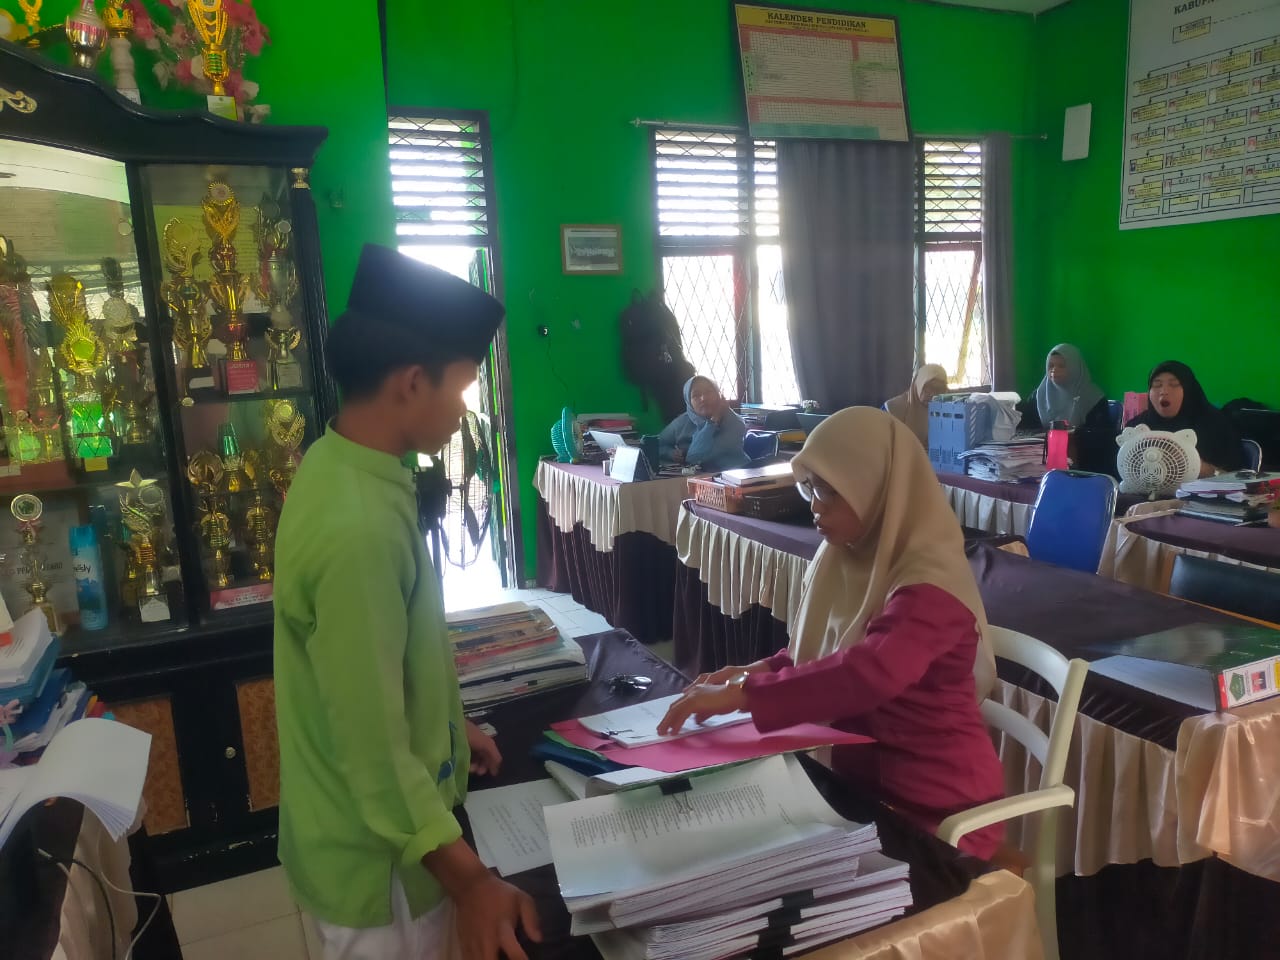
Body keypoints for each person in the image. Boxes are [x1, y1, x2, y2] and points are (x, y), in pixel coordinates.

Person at [274, 245, 541, 960]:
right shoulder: (359, 528)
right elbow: (370, 746)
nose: (464, 411)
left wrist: (449, 728)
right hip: (381, 864)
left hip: (360, 824)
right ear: (413, 382)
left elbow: (379, 664)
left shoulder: (341, 462)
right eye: (463, 388)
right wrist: (471, 881)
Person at [657, 407, 1004, 858]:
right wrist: (753, 671)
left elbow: (868, 672)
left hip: (936, 814)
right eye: (811, 488)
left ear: (878, 490)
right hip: (861, 788)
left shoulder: (930, 584)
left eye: (830, 492)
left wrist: (745, 695)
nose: (815, 506)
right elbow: (822, 653)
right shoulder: (851, 555)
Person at [1126, 360, 1244, 475]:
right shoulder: (1136, 427)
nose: (1164, 391)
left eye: (1174, 385)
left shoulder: (1215, 424)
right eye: (1157, 385)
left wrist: (1204, 469)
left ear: (1189, 389)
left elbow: (1236, 477)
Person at [1017, 343, 1117, 475]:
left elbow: (1102, 439)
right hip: (1041, 464)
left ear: (1075, 368)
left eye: (1061, 366)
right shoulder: (1039, 394)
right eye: (1051, 365)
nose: (1054, 370)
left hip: (1083, 467)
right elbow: (1026, 424)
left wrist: (1073, 436)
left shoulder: (1093, 397)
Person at [657, 375, 749, 470]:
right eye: (696, 395)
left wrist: (712, 422)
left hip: (735, 473)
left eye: (709, 392)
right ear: (688, 401)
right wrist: (671, 453)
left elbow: (695, 458)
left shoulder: (734, 421)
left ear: (718, 395)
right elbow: (656, 445)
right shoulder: (682, 422)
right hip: (694, 476)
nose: (703, 398)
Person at [884, 363, 948, 448]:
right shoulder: (893, 408)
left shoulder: (945, 410)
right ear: (918, 384)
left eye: (937, 391)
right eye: (927, 389)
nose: (932, 395)